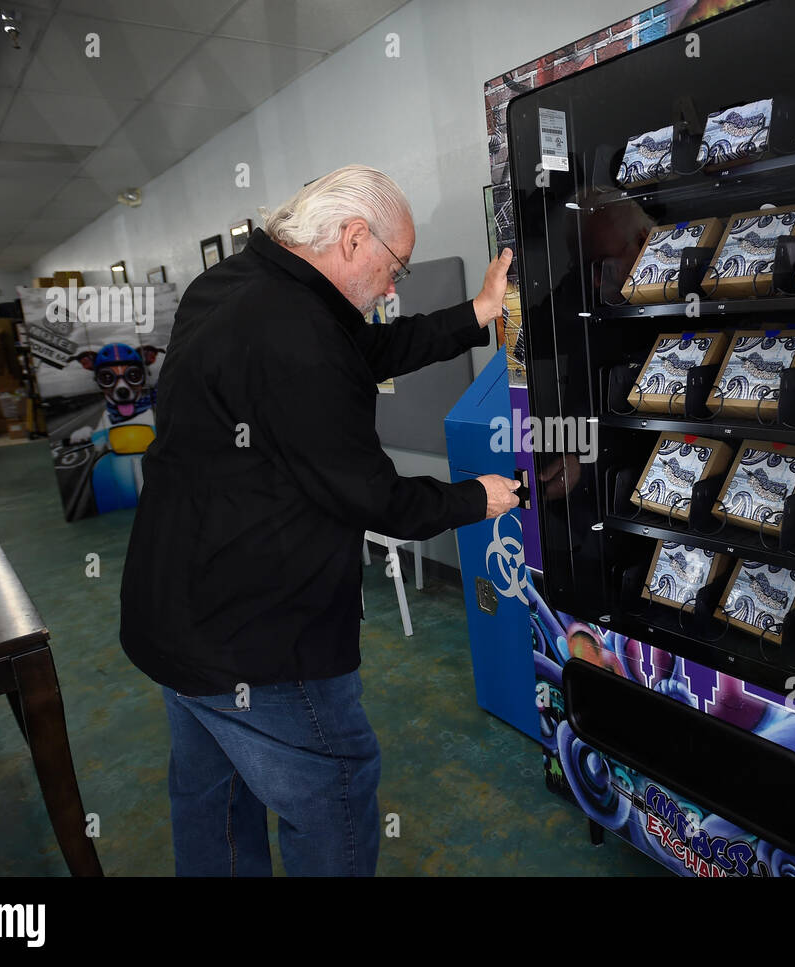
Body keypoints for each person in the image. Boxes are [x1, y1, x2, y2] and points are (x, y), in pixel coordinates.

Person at [119, 165, 520, 876]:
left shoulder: (237, 285)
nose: (396, 286)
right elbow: (371, 496)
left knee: (215, 802)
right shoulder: (297, 333)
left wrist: (479, 311)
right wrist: (474, 499)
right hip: (258, 635)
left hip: (172, 617)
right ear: (352, 237)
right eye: (394, 267)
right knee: (331, 788)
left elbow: (368, 350)